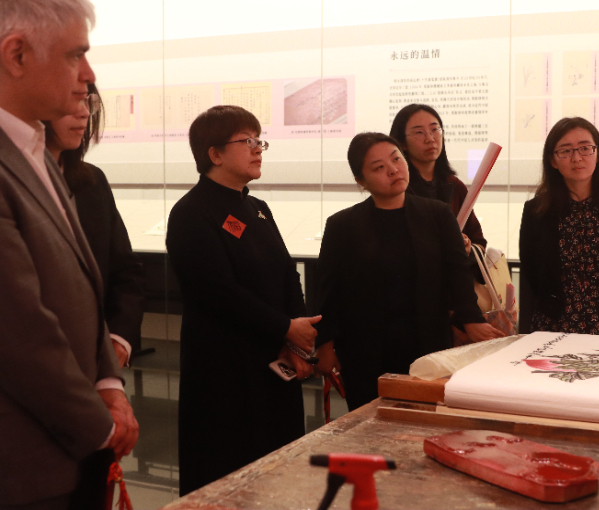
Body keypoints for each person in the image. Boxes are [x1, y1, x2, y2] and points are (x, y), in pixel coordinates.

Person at [0, 1, 138, 509]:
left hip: (69, 450)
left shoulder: (34, 151)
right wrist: (99, 424)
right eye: (75, 55)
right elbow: (19, 329)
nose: (88, 74)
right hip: (25, 466)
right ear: (17, 54)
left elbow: (82, 289)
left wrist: (109, 383)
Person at [166, 105, 320, 496]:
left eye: (259, 140)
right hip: (224, 369)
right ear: (214, 154)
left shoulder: (257, 208)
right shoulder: (190, 213)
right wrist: (285, 327)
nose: (257, 148)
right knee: (228, 476)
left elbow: (287, 274)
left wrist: (296, 339)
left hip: (274, 361)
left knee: (277, 471)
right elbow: (216, 291)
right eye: (246, 140)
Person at [314, 132, 504, 411]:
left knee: (428, 419)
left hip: (428, 345)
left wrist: (471, 319)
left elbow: (458, 273)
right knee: (371, 421)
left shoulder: (438, 214)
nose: (393, 170)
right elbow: (328, 291)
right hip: (365, 350)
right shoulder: (342, 225)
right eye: (379, 167)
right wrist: (325, 345)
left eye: (396, 159)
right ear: (361, 181)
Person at [44, 83, 145, 368]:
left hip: (95, 357)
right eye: (73, 100)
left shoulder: (92, 180)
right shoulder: (12, 183)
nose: (84, 113)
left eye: (89, 102)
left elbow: (125, 269)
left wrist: (119, 339)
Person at [519, 117, 599, 336]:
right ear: (553, 160)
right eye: (566, 151)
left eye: (585, 148)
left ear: (598, 153)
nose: (577, 158)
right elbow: (531, 270)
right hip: (553, 324)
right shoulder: (537, 211)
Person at [389, 103, 487, 253]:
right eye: (419, 132)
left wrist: (466, 247)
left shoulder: (455, 186)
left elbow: (478, 242)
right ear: (402, 143)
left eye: (435, 130)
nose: (430, 139)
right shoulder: (398, 188)